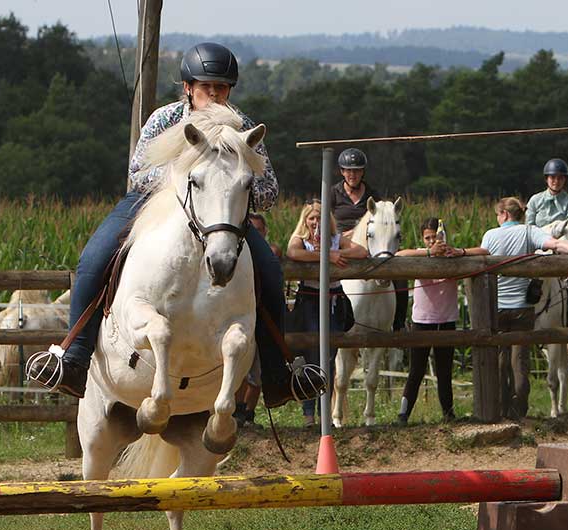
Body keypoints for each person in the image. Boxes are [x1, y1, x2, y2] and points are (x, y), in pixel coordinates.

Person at [44, 42, 323, 409]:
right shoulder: (164, 118)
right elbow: (138, 172)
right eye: (207, 86)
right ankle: (75, 357)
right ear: (188, 87)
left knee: (269, 269)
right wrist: (185, 172)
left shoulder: (243, 128)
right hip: (151, 204)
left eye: (222, 88)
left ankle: (277, 371)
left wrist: (234, 183)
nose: (215, 94)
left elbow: (269, 191)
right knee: (94, 257)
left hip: (220, 214)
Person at [481, 197, 568, 419]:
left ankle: (500, 410)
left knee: (500, 361)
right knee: (520, 363)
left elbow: (480, 256)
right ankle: (520, 412)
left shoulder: (490, 235)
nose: (497, 219)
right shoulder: (529, 231)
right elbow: (557, 244)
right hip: (522, 307)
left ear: (505, 215)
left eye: (498, 215)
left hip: (496, 307)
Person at [394, 218, 487, 424]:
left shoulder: (453, 256)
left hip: (447, 320)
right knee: (416, 371)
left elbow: (484, 252)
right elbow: (399, 255)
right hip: (422, 321)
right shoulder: (420, 255)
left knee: (445, 371)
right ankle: (403, 414)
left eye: (435, 237)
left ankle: (448, 414)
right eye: (427, 238)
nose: (431, 241)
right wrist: (429, 253)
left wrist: (459, 252)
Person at [286, 200, 368, 426]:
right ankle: (309, 412)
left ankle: (326, 412)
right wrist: (326, 256)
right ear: (305, 220)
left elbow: (361, 251)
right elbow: (292, 252)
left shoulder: (335, 238)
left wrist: (335, 251)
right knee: (311, 354)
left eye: (319, 217)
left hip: (334, 300)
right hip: (310, 301)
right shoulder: (301, 239)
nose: (315, 222)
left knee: (329, 357)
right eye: (312, 218)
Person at [331, 148, 407, 334]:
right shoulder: (333, 193)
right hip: (341, 244)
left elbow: (383, 221)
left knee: (401, 276)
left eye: (356, 170)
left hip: (371, 246)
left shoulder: (373, 195)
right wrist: (342, 236)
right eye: (348, 170)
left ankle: (398, 325)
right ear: (342, 171)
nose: (352, 174)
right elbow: (325, 222)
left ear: (362, 172)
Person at [233, 213, 280, 427]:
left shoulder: (267, 252)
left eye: (260, 229)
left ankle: (247, 413)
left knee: (257, 372)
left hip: (260, 316)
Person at [526, 158, 568, 227]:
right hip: (536, 236)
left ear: (565, 180)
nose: (556, 181)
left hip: (561, 237)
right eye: (552, 177)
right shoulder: (535, 200)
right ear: (546, 179)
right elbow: (529, 226)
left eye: (560, 178)